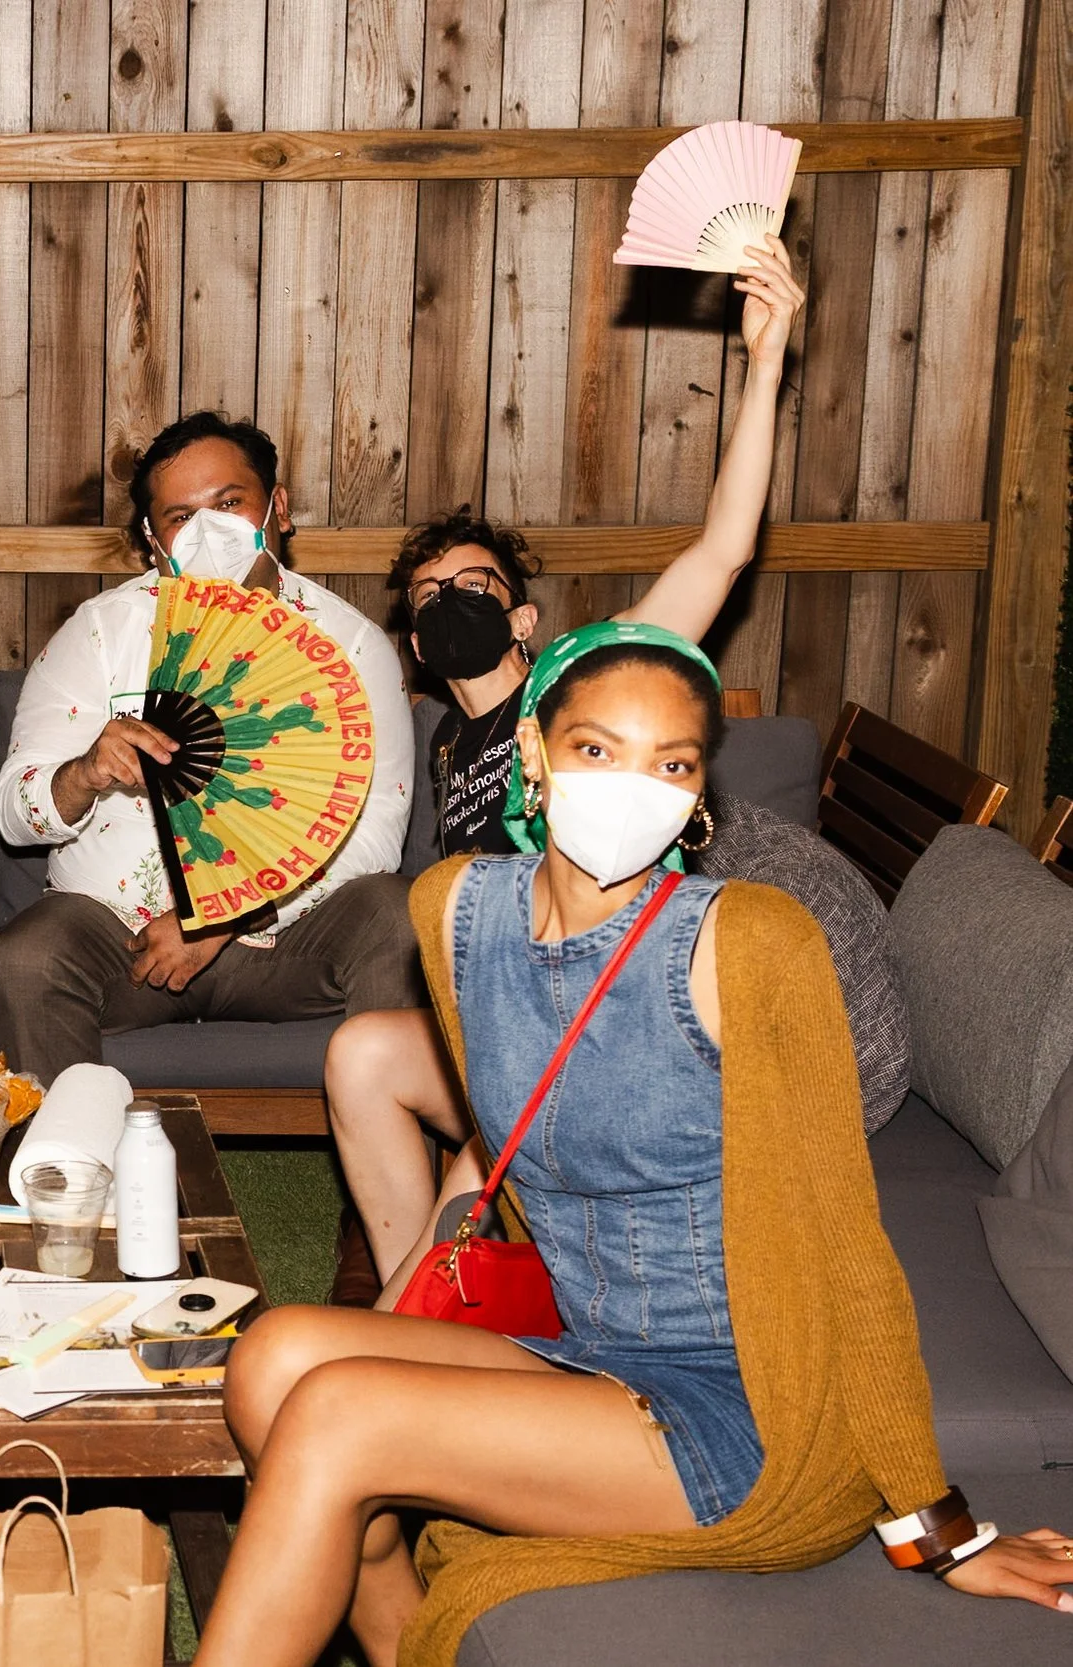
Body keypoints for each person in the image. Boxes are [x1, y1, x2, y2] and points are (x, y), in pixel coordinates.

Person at [197, 625, 1073, 1667]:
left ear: (700, 791)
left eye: (671, 764)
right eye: (596, 749)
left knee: (339, 1410)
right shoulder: (455, 909)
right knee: (272, 1358)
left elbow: (848, 1243)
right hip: (589, 1349)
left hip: (745, 1409)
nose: (631, 789)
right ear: (534, 752)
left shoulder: (753, 940)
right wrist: (414, 1311)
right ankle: (397, 1640)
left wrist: (937, 1526)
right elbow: (509, 1145)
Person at [326, 239, 838, 1293]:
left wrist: (766, 363)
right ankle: (427, 1294)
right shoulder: (447, 739)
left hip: (604, 1019)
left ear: (521, 618)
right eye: (428, 598)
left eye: (473, 586)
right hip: (509, 1010)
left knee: (459, 1213)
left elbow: (721, 554)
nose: (449, 603)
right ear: (417, 643)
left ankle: (419, 1307)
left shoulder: (576, 689)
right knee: (361, 1053)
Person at [0, 412, 422, 1084]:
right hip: (121, 937)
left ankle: (390, 1149)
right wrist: (84, 772)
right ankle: (63, 1151)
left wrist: (216, 920)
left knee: (396, 916)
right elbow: (15, 816)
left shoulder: (352, 646)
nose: (209, 531)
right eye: (181, 516)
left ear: (278, 508)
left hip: (286, 939)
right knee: (28, 957)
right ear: (151, 540)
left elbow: (376, 834)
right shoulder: (100, 633)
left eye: (229, 502)